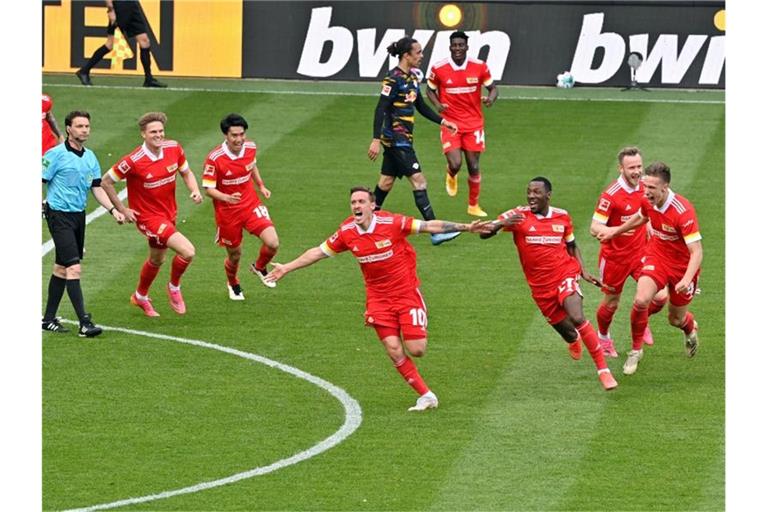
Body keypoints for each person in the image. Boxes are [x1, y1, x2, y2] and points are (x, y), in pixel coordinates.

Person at [265, 186, 491, 411]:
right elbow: (318, 252)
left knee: (417, 349)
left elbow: (428, 226)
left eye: (361, 202)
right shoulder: (347, 231)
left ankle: (417, 321)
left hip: (405, 293)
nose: (356, 206)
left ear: (372, 205)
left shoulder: (392, 223)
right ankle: (426, 395)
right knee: (393, 349)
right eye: (353, 202)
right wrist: (287, 267)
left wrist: (467, 227)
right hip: (378, 299)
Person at [481, 177, 619, 391]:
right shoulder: (518, 215)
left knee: (577, 316)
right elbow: (484, 233)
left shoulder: (562, 216)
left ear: (548, 195)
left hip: (565, 274)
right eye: (529, 192)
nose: (531, 196)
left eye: (536, 192)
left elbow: (572, 246)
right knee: (569, 331)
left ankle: (604, 371)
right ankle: (573, 339)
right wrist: (501, 223)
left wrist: (582, 270)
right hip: (539, 287)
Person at [597, 162, 702, 376]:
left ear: (665, 187)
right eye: (645, 187)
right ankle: (636, 351)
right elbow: (642, 216)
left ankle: (689, 328)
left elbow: (697, 252)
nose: (646, 192)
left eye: (652, 188)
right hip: (657, 257)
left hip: (682, 267)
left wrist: (686, 279)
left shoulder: (683, 211)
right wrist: (615, 231)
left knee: (675, 319)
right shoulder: (647, 201)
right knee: (641, 300)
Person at [100, 112, 202, 317]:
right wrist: (122, 209)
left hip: (169, 213)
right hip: (148, 218)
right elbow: (105, 181)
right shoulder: (133, 160)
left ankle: (140, 296)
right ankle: (174, 288)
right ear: (143, 135)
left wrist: (195, 189)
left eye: (161, 131)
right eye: (153, 132)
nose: (158, 135)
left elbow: (186, 172)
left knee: (157, 260)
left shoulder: (174, 148)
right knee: (188, 251)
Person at [367, 35, 461, 246]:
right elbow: (380, 109)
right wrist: (375, 139)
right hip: (397, 141)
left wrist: (444, 122)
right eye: (418, 52)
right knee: (419, 181)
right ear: (406, 55)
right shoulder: (393, 79)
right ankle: (435, 230)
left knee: (386, 182)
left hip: (402, 140)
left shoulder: (413, 78)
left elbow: (420, 106)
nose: (421, 56)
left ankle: (367, 222)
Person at [42, 111, 126, 337]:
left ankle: (48, 319)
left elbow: (96, 187)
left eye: (87, 126)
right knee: (73, 268)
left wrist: (113, 210)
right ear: (69, 129)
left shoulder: (90, 157)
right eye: (79, 126)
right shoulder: (55, 155)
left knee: (61, 267)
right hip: (58, 215)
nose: (85, 130)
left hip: (78, 216)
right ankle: (84, 323)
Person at [589, 147, 669, 358]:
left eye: (639, 166)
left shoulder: (646, 187)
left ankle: (642, 322)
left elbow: (655, 210)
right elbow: (595, 227)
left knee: (660, 296)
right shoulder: (610, 195)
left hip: (642, 253)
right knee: (611, 302)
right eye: (631, 167)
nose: (636, 171)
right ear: (620, 168)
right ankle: (604, 338)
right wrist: (611, 232)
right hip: (615, 258)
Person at [202, 114, 280, 300]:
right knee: (235, 255)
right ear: (226, 136)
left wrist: (261, 185)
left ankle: (259, 266)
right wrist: (227, 197)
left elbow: (251, 166)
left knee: (273, 243)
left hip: (250, 204)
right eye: (234, 135)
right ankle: (233, 282)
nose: (239, 139)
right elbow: (208, 189)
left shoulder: (250, 147)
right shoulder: (215, 158)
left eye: (241, 134)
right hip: (228, 212)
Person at [426, 30, 498, 217]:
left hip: (474, 124)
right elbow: (430, 89)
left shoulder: (480, 66)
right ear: (450, 47)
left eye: (461, 45)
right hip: (450, 123)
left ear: (467, 46)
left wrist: (490, 99)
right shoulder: (438, 68)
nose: (457, 48)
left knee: (474, 166)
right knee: (456, 163)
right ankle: (451, 173)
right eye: (454, 45)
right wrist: (437, 105)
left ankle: (473, 205)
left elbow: (493, 88)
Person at [75, 0, 166, 88]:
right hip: (120, 7)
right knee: (109, 44)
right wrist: (111, 10)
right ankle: (84, 71)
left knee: (144, 41)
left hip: (132, 5)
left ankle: (149, 79)